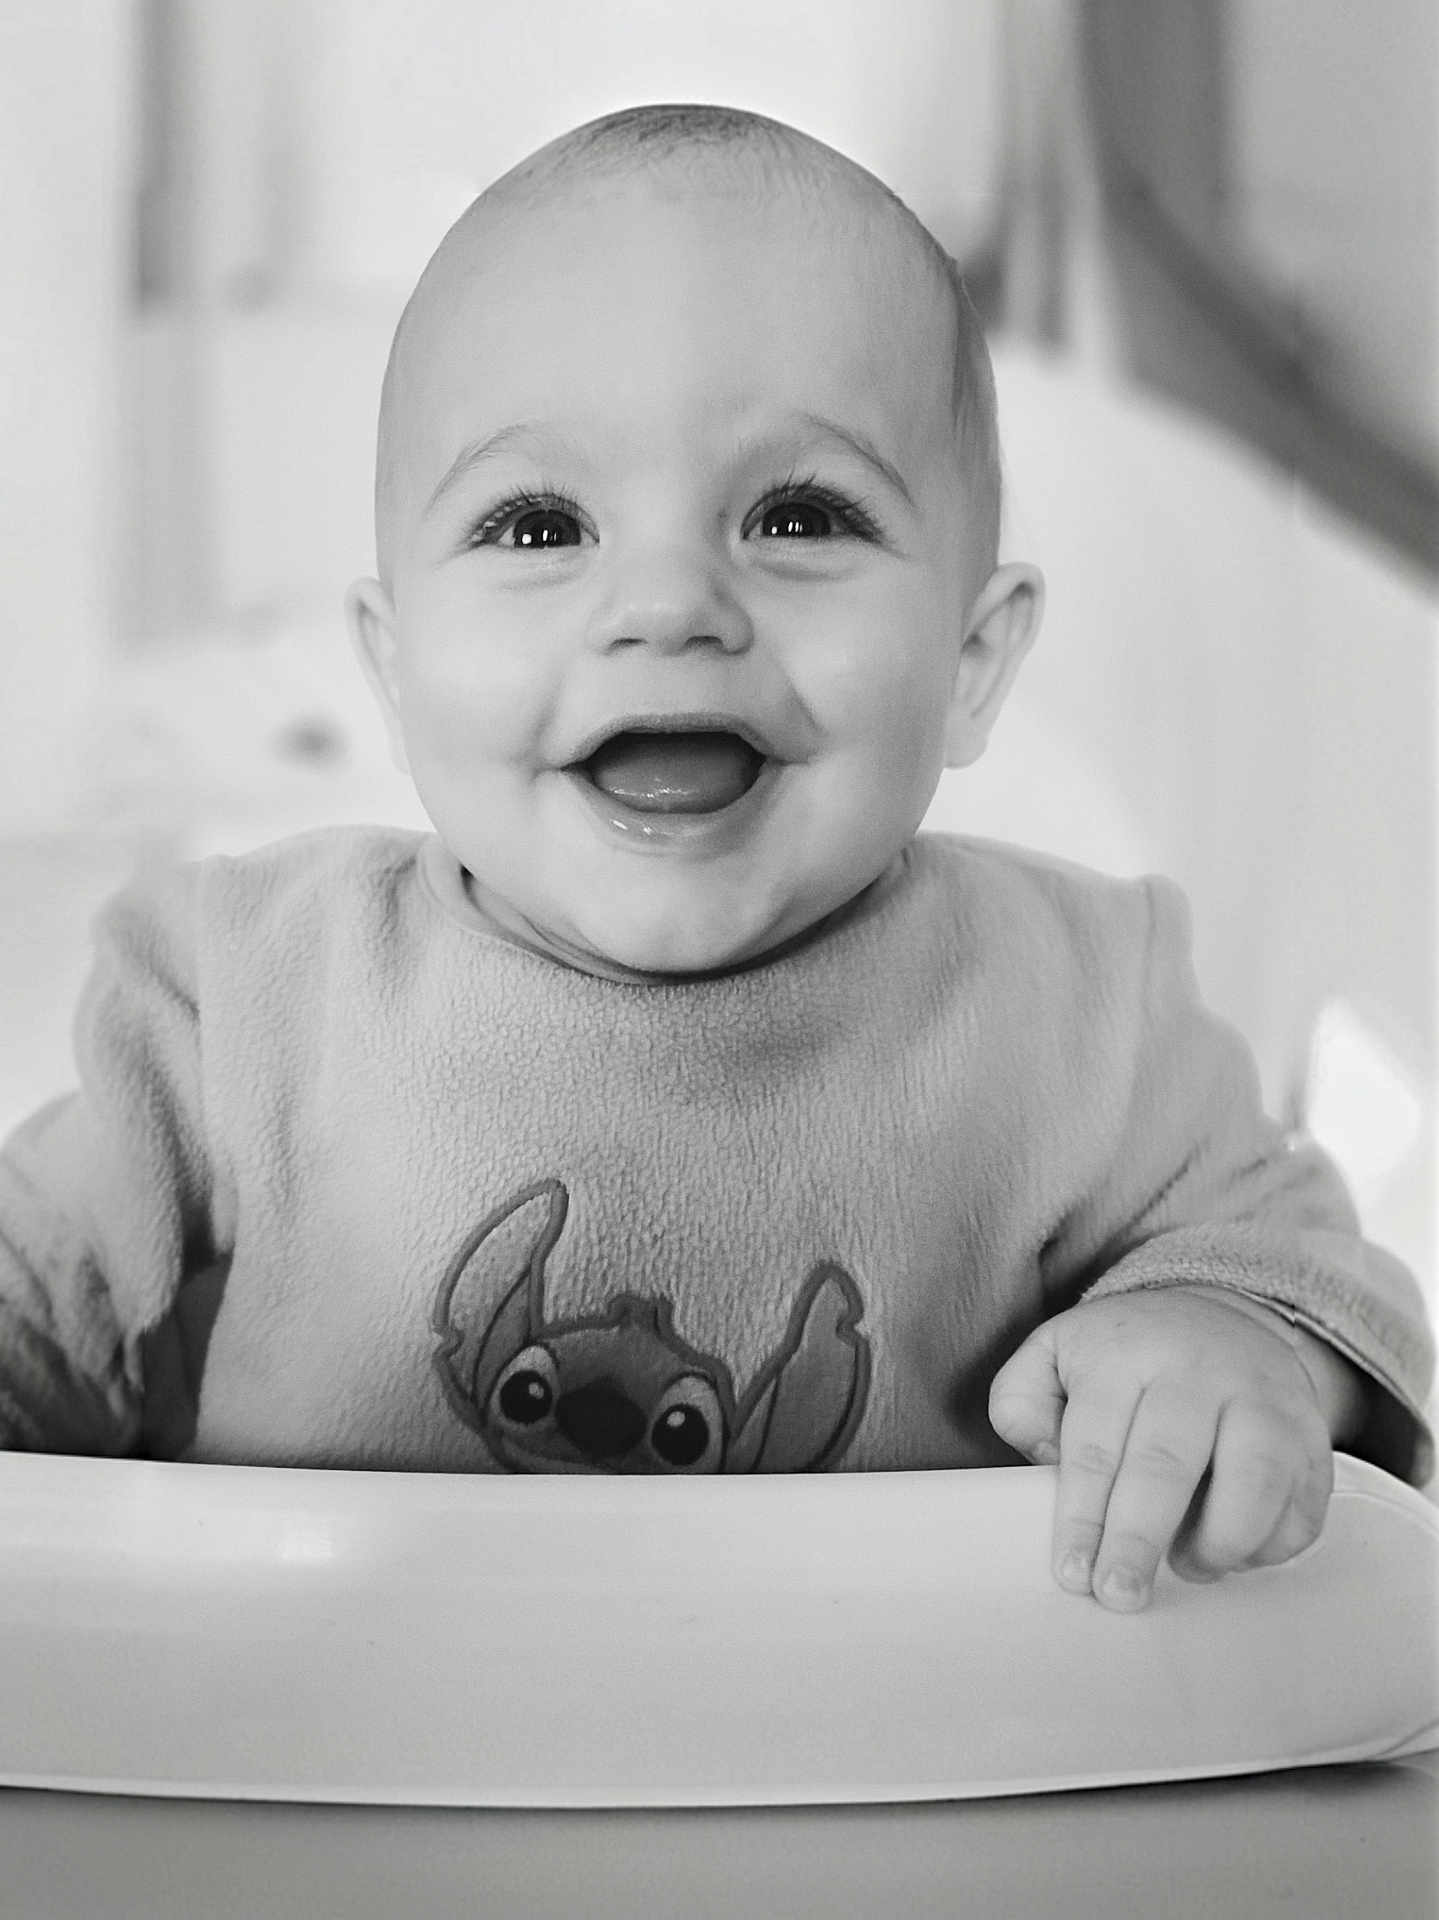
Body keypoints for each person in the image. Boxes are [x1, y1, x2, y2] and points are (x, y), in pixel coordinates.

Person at [0, 104, 1430, 1618]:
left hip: (902, 1813)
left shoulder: (1080, 1009)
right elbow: (38, 1311)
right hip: (314, 1804)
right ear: (397, 666)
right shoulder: (240, 1002)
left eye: (796, 514)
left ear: (972, 659)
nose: (671, 602)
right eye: (540, 523)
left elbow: (1307, 1275)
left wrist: (1229, 1345)